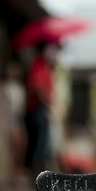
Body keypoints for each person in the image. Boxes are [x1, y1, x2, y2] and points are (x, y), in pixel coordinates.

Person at [24, 42, 57, 176]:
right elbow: (36, 86)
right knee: (40, 142)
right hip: (38, 108)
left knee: (42, 141)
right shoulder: (38, 65)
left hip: (41, 107)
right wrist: (46, 101)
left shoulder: (46, 67)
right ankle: (38, 173)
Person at [2, 61, 27, 183]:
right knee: (14, 146)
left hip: (18, 119)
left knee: (21, 145)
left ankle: (17, 171)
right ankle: (11, 173)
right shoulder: (6, 88)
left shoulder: (20, 88)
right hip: (10, 120)